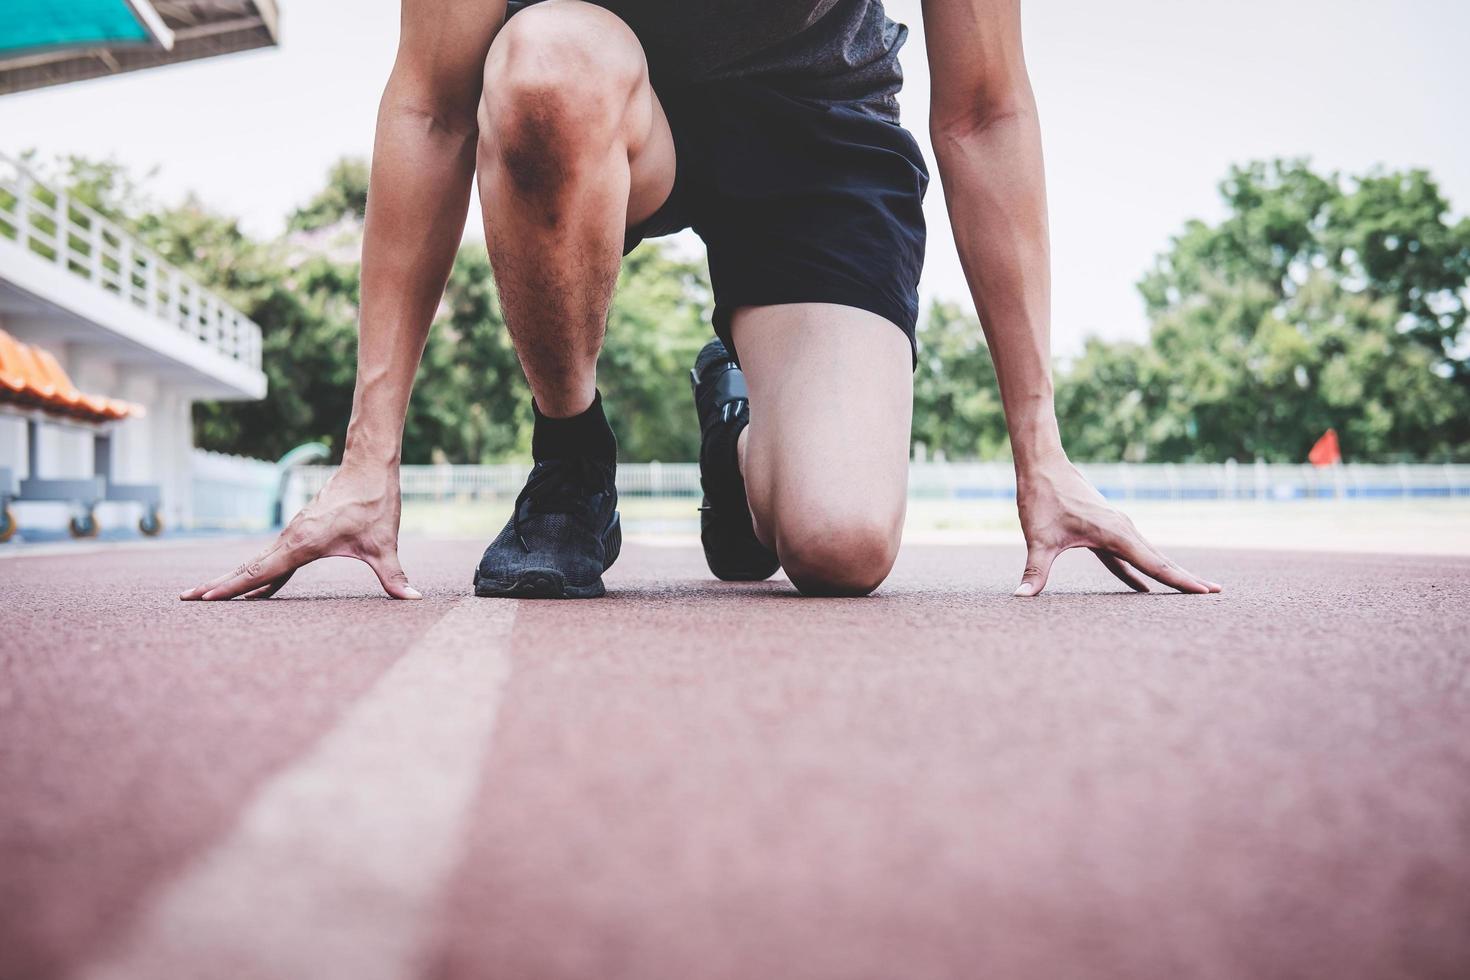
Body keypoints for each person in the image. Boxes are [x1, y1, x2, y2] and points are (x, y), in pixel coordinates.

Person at [182, 0, 1222, 602]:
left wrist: (1042, 450)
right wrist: (368, 459)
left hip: (819, 125)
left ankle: (737, 427)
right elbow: (432, 103)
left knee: (841, 544)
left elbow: (987, 109)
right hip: (604, 90)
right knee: (544, 66)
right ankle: (570, 458)